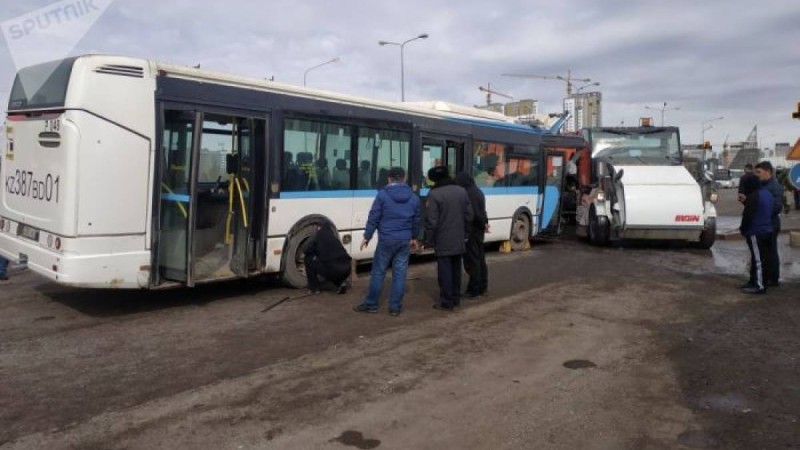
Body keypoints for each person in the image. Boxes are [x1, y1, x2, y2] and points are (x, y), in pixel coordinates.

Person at [353, 167, 420, 317]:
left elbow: (374, 216)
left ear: (389, 179)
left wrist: (367, 236)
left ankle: (371, 305)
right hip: (404, 240)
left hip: (386, 240)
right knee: (400, 274)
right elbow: (416, 220)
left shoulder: (382, 195)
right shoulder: (413, 197)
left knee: (378, 272)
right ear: (404, 179)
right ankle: (395, 308)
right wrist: (414, 238)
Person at [426, 166, 473, 311]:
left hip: (443, 238)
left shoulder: (434, 194)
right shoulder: (461, 191)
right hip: (459, 237)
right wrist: (466, 233)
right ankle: (455, 297)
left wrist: (429, 239)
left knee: (444, 271)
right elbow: (469, 215)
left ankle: (447, 301)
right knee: (456, 269)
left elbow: (432, 221)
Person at [455, 172, 489, 298]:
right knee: (480, 259)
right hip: (478, 229)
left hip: (472, 230)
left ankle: (474, 289)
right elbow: (482, 211)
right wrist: (485, 222)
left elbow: (472, 213)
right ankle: (482, 286)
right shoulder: (477, 191)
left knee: (472, 261)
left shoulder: (468, 193)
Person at [739, 175, 773, 294]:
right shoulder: (767, 193)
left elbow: (748, 215)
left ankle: (760, 286)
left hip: (756, 231)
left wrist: (743, 229)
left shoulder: (753, 196)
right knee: (759, 258)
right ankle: (753, 281)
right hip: (767, 229)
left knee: (758, 260)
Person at [754, 161, 782, 286]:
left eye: (759, 172)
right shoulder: (762, 185)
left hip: (770, 224)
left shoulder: (774, 187)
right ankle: (766, 277)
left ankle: (772, 279)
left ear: (768, 172)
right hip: (763, 224)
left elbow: (776, 207)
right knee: (764, 252)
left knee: (770, 252)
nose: (757, 175)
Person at [304, 223, 352, 295]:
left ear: (319, 228)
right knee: (332, 263)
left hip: (332, 268)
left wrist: (314, 252)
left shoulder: (317, 235)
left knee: (308, 259)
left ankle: (314, 288)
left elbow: (306, 250)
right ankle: (341, 283)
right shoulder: (334, 237)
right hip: (347, 268)